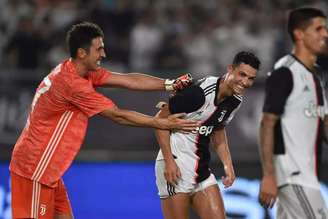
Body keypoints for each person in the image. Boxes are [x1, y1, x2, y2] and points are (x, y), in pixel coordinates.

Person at [9, 22, 199, 219]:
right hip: (34, 170)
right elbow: (117, 115)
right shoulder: (72, 84)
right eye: (99, 49)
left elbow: (127, 80)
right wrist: (163, 123)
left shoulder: (78, 71)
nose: (104, 54)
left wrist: (169, 84)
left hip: (48, 171)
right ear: (82, 53)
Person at [154, 51, 260, 219]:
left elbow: (218, 129)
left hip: (201, 170)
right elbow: (159, 121)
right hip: (176, 166)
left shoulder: (235, 100)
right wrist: (169, 162)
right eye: (242, 74)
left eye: (251, 78)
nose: (245, 82)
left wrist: (228, 164)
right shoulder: (199, 93)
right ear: (230, 69)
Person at [258, 7, 328, 218]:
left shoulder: (316, 77)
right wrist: (269, 175)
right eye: (318, 29)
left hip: (307, 176)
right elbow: (267, 124)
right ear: (299, 34)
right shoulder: (285, 72)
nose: (325, 34)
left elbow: (324, 125)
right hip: (293, 175)